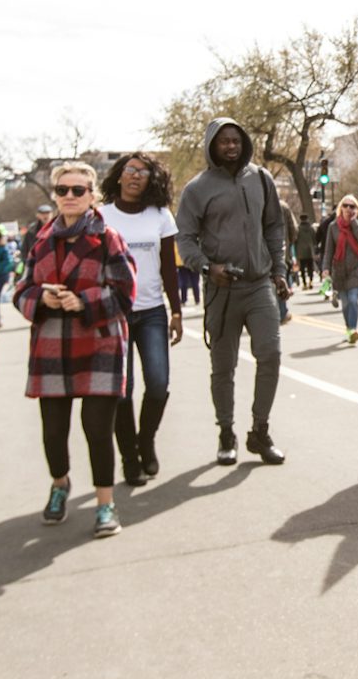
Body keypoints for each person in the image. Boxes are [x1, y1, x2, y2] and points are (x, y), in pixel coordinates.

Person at [13, 162, 135, 537]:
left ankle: (105, 504)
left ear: (92, 195)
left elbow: (125, 291)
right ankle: (60, 483)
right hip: (51, 345)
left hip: (98, 341)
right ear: (55, 195)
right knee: (53, 432)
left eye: (78, 190)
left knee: (97, 430)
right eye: (63, 190)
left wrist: (83, 302)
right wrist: (43, 298)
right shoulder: (40, 238)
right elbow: (20, 290)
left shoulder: (108, 237)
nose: (69, 196)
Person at [176, 120, 289, 466]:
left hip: (259, 285)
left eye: (236, 140)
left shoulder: (261, 178)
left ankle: (260, 430)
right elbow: (184, 239)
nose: (230, 146)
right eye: (223, 141)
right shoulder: (197, 189)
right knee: (223, 367)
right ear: (212, 145)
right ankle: (226, 432)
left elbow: (274, 226)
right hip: (221, 291)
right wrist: (208, 267)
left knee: (270, 353)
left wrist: (280, 271)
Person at [100, 152, 183, 484]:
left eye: (143, 172)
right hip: (114, 313)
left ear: (152, 180)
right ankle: (129, 458)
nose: (135, 176)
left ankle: (146, 441)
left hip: (152, 312)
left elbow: (168, 268)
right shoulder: (100, 216)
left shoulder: (160, 216)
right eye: (130, 170)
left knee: (159, 384)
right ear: (119, 176)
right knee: (123, 389)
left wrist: (176, 311)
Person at [323, 194, 358, 343]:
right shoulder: (333, 226)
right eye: (345, 205)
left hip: (357, 269)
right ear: (340, 208)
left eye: (352, 206)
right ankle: (349, 328)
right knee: (345, 304)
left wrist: (354, 221)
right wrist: (325, 269)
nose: (348, 209)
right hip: (340, 271)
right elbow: (329, 250)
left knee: (353, 300)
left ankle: (353, 329)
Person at [294, 213, 317, 289]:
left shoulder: (298, 229)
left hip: (301, 252)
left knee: (302, 269)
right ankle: (311, 281)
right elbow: (314, 239)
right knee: (310, 267)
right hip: (310, 251)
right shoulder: (311, 229)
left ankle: (304, 283)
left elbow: (295, 240)